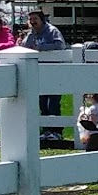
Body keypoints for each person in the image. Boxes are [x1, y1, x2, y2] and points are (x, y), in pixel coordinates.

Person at [20, 8, 68, 137]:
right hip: (38, 72)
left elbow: (60, 45)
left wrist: (41, 48)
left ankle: (56, 131)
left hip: (53, 72)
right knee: (42, 102)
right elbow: (24, 47)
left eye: (35, 19)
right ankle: (46, 131)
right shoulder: (31, 34)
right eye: (30, 19)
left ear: (42, 19)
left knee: (53, 102)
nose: (32, 22)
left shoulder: (52, 31)